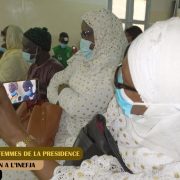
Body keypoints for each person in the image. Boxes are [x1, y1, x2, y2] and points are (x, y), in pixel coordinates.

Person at [0, 17, 180, 180]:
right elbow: (53, 86)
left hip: (72, 147)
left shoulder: (166, 171)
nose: (115, 82)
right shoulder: (79, 62)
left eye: (124, 84)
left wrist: (16, 135)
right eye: (119, 71)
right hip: (73, 138)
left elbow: (75, 105)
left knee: (9, 162)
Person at [47, 9, 127, 148]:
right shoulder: (82, 58)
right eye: (82, 33)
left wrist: (64, 89)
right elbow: (53, 83)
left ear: (104, 35)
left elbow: (78, 107)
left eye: (87, 33)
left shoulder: (114, 73)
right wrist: (62, 98)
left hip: (86, 144)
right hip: (61, 130)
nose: (82, 39)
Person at [22, 27, 64, 100]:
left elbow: (57, 101)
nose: (22, 50)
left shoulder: (55, 70)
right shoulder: (33, 66)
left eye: (25, 47)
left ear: (38, 49)